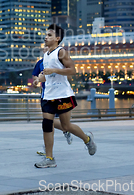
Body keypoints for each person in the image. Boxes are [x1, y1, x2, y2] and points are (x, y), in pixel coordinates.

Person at [34, 24, 97, 168]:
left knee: (66, 125)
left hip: (63, 94)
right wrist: (39, 79)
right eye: (46, 35)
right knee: (47, 123)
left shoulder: (61, 52)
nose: (46, 37)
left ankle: (87, 139)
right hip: (48, 95)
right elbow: (47, 75)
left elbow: (72, 70)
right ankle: (49, 158)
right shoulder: (46, 54)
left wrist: (54, 70)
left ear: (57, 38)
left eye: (49, 35)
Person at [32, 45, 73, 155]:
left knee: (57, 123)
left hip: (59, 95)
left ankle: (67, 129)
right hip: (46, 95)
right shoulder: (40, 63)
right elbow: (35, 77)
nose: (46, 49)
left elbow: (69, 71)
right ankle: (48, 151)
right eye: (44, 47)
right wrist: (36, 81)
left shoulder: (57, 59)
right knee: (48, 123)